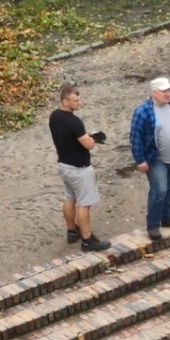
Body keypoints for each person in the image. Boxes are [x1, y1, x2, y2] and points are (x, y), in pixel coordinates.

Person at [48, 85, 111, 252]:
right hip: (79, 168)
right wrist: (94, 138)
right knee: (84, 203)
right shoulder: (74, 122)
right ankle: (87, 239)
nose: (79, 103)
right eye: (76, 101)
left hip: (64, 165)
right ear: (65, 101)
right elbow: (88, 144)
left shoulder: (54, 116)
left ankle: (72, 230)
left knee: (70, 198)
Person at [130, 77, 170, 241]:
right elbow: (136, 137)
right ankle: (153, 225)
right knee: (159, 190)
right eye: (164, 91)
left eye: (169, 90)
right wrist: (140, 160)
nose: (168, 93)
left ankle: (168, 217)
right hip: (156, 159)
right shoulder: (143, 111)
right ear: (154, 93)